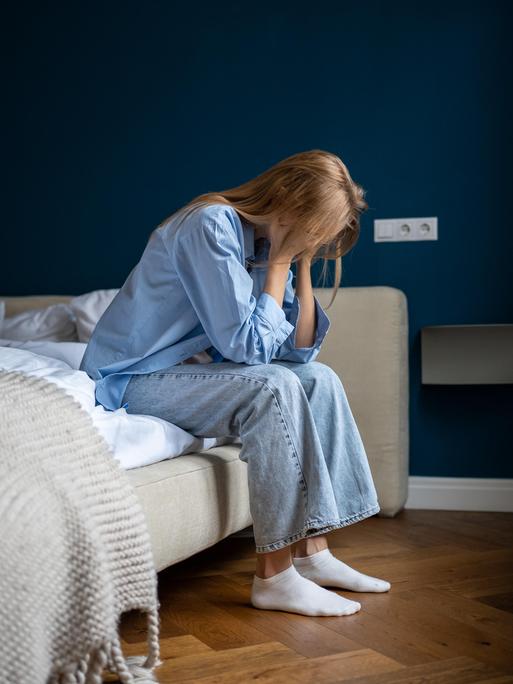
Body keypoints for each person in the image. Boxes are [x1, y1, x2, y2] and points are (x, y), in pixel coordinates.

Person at [80, 149, 391, 617]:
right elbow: (249, 349)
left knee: (317, 380)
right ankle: (275, 577)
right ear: (287, 200)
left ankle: (313, 554)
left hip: (191, 373)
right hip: (134, 377)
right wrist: (284, 260)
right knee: (272, 387)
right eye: (315, 228)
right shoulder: (209, 225)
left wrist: (299, 264)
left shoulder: (267, 250)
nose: (316, 241)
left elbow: (298, 350)